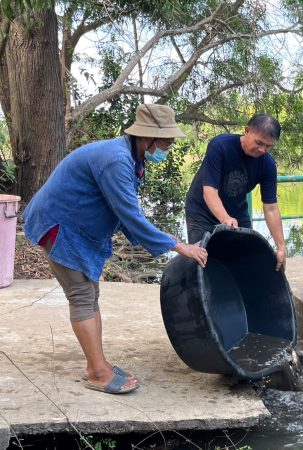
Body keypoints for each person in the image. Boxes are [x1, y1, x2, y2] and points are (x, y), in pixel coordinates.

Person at [23, 104, 208, 395]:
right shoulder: (117, 161)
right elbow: (131, 215)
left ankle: (97, 364)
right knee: (82, 295)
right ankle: (97, 372)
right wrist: (177, 246)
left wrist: (165, 241)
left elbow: (122, 212)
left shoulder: (132, 158)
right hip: (60, 225)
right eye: (167, 143)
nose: (169, 149)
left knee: (90, 292)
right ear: (147, 139)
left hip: (78, 225)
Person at [185, 114, 286, 270]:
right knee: (202, 260)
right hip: (201, 211)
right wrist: (225, 219)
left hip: (237, 213)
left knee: (244, 260)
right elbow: (209, 192)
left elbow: (271, 207)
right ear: (247, 130)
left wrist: (281, 247)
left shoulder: (267, 165)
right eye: (259, 143)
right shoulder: (220, 146)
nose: (262, 150)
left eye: (268, 146)